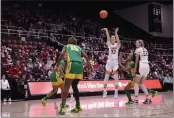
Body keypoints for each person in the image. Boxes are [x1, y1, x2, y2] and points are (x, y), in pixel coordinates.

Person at [56, 37, 92, 115]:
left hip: (72, 64)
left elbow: (61, 54)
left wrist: (57, 64)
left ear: (69, 42)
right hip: (80, 65)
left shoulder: (66, 46)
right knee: (75, 86)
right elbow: (86, 56)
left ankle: (62, 108)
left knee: (66, 87)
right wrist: (89, 67)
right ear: (75, 42)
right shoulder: (79, 48)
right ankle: (78, 106)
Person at [102, 27, 120, 98]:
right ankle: (105, 91)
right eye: (111, 37)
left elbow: (118, 40)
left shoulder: (117, 45)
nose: (112, 38)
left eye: (113, 38)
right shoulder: (109, 44)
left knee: (116, 77)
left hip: (115, 62)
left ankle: (116, 92)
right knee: (106, 77)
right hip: (109, 61)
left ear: (115, 39)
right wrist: (106, 31)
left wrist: (116, 33)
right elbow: (108, 38)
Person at [134, 40, 151, 104]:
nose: (135, 44)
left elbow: (137, 61)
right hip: (147, 66)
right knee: (141, 83)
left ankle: (136, 99)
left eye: (137, 43)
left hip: (141, 66)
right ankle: (148, 98)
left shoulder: (138, 50)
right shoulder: (146, 49)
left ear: (140, 44)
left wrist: (135, 69)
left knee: (136, 83)